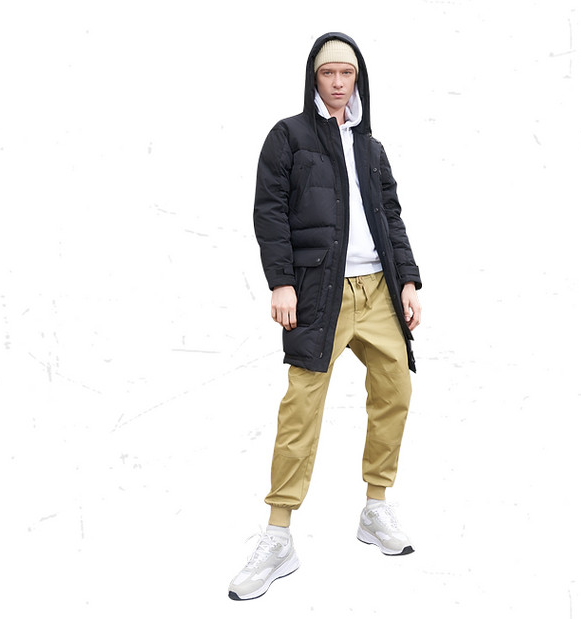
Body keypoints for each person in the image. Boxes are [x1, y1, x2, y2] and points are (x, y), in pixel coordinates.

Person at [229, 32, 423, 601]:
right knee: (302, 406)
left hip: (378, 290)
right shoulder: (287, 136)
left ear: (358, 79)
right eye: (327, 73)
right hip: (320, 292)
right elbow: (269, 212)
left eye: (347, 73)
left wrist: (408, 280)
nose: (338, 83)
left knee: (395, 390)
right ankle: (278, 535)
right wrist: (282, 282)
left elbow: (391, 215)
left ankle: (375, 506)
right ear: (314, 78)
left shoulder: (371, 147)